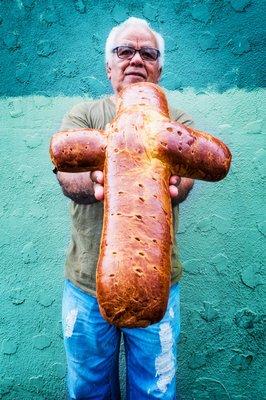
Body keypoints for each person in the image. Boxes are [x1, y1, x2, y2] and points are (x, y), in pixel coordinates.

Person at [55, 17, 194, 400]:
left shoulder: (176, 123)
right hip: (85, 285)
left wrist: (175, 185)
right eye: (124, 51)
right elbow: (67, 176)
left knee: (155, 390)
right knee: (88, 389)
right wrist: (97, 182)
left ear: (159, 68)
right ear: (109, 66)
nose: (136, 59)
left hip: (157, 284)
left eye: (147, 53)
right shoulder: (84, 117)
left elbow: (187, 180)